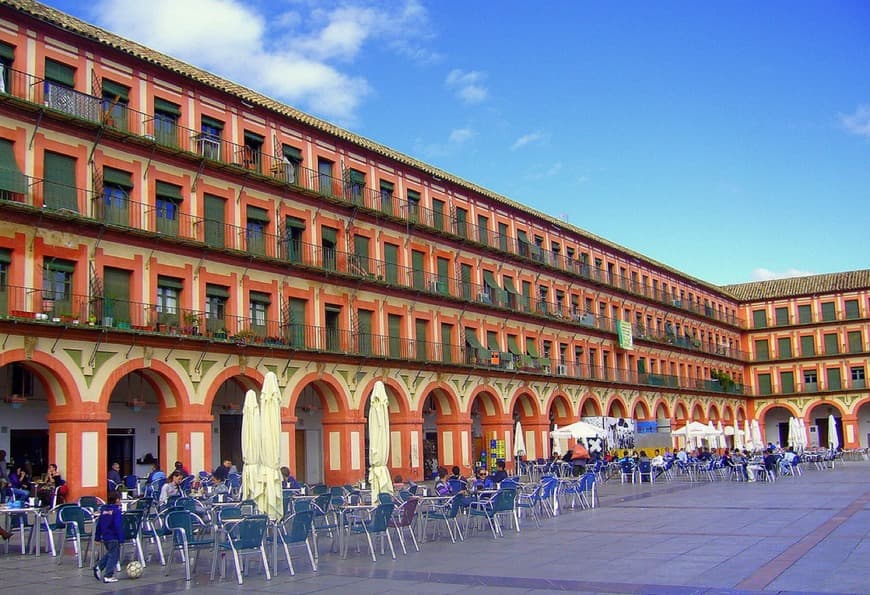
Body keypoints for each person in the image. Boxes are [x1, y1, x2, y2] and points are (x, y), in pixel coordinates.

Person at [93, 491, 123, 583]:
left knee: (111, 553)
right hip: (114, 536)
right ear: (117, 500)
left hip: (105, 537)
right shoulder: (116, 511)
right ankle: (108, 575)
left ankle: (99, 566)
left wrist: (97, 537)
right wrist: (121, 537)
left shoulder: (104, 510)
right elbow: (118, 525)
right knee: (113, 556)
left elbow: (99, 524)